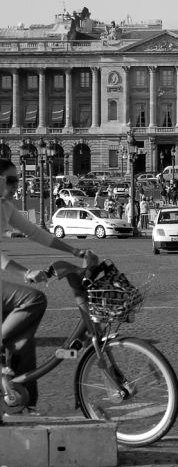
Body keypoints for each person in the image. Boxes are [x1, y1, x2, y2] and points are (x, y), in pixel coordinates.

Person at [0, 158, 98, 413]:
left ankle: (22, 404)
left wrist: (75, 250)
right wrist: (25, 272)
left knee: (24, 341)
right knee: (32, 299)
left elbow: (37, 233)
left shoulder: (6, 206)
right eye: (10, 180)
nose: (15, 185)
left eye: (17, 179)